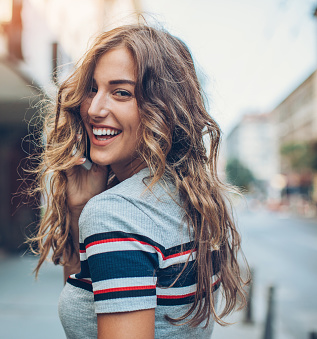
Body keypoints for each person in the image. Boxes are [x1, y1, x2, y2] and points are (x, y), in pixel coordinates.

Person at [28, 23, 249, 338]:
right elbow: (94, 297)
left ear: (164, 109)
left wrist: (97, 210)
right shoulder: (188, 197)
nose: (94, 108)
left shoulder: (117, 212)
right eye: (92, 88)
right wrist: (79, 210)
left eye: (121, 93)